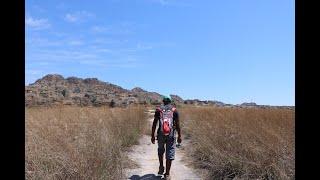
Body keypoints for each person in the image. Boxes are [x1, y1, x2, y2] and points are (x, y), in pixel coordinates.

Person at [151, 96, 182, 179]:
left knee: (160, 150)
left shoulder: (158, 110)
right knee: (170, 152)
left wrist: (152, 135)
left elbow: (154, 124)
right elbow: (178, 125)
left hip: (160, 134)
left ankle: (161, 167)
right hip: (171, 134)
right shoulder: (174, 110)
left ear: (163, 101)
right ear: (170, 102)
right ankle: (167, 174)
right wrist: (179, 136)